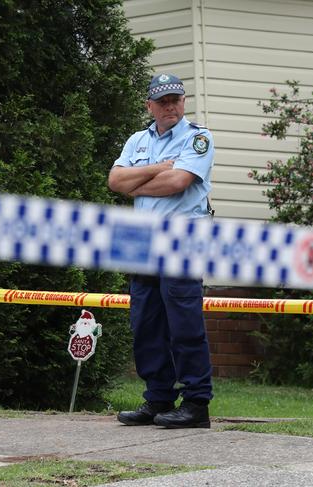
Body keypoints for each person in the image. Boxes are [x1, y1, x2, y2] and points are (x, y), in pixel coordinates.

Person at [108, 73, 214, 428]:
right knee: (146, 322)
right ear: (149, 106)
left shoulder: (198, 137)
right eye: (163, 101)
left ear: (183, 102)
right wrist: (157, 169)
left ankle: (197, 404)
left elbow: (179, 181)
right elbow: (115, 181)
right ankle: (158, 399)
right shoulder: (137, 140)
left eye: (176, 100)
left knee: (184, 322)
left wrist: (137, 181)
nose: (171, 106)